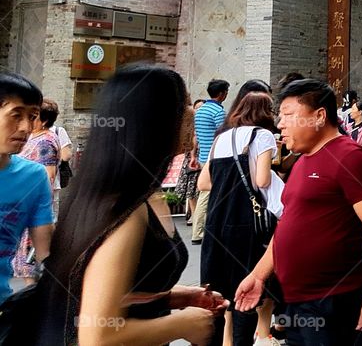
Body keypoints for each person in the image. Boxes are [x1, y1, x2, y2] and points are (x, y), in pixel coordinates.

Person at [35, 64, 228, 345]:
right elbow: (96, 336)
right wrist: (183, 324)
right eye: (184, 103)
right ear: (153, 120)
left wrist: (173, 296)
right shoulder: (126, 210)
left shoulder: (134, 194)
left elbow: (111, 290)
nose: (193, 112)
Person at [234, 79, 362, 345]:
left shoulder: (349, 156)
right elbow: (287, 225)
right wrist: (259, 275)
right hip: (297, 303)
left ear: (319, 116)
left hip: (334, 303)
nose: (280, 124)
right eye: (279, 116)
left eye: (288, 115)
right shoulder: (301, 161)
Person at [200, 90, 285, 346]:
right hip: (247, 222)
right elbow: (262, 180)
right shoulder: (263, 135)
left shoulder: (222, 138)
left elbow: (205, 182)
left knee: (218, 289)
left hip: (216, 220)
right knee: (246, 291)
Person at [0, 72, 50, 306]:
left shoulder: (34, 177)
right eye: (16, 115)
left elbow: (45, 254)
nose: (25, 127)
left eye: (32, 117)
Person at [13, 98, 60, 284]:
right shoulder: (35, 137)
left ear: (44, 120)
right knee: (26, 262)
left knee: (31, 262)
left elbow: (49, 175)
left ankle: (30, 301)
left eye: (33, 116)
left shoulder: (46, 141)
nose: (28, 122)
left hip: (33, 208)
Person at [192, 78, 230, 244]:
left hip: (203, 157)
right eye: (226, 92)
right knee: (207, 195)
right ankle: (198, 232)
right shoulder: (218, 111)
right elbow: (223, 134)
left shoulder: (200, 110)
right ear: (222, 94)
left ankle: (204, 229)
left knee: (208, 194)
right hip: (214, 158)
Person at [175, 99, 204, 225]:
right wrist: (192, 155)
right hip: (192, 156)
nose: (198, 110)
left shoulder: (203, 123)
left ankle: (197, 216)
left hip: (200, 154)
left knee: (198, 188)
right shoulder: (189, 122)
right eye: (197, 108)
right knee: (191, 188)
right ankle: (193, 215)